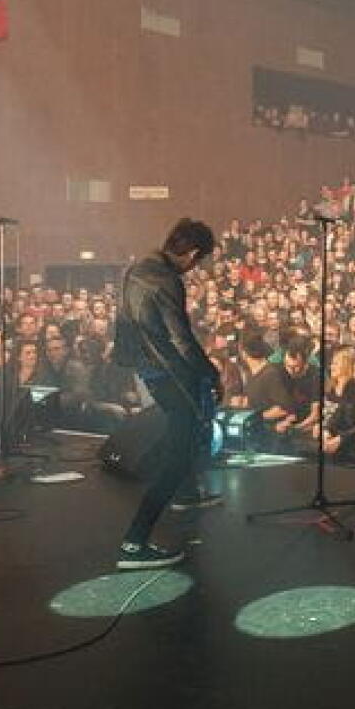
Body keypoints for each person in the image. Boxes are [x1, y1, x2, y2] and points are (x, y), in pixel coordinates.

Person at [110, 218, 222, 569]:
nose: (194, 268)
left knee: (182, 436)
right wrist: (212, 373)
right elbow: (182, 340)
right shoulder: (166, 280)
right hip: (169, 372)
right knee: (179, 451)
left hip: (147, 368)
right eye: (198, 261)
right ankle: (134, 542)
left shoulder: (137, 267)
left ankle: (186, 494)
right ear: (192, 254)